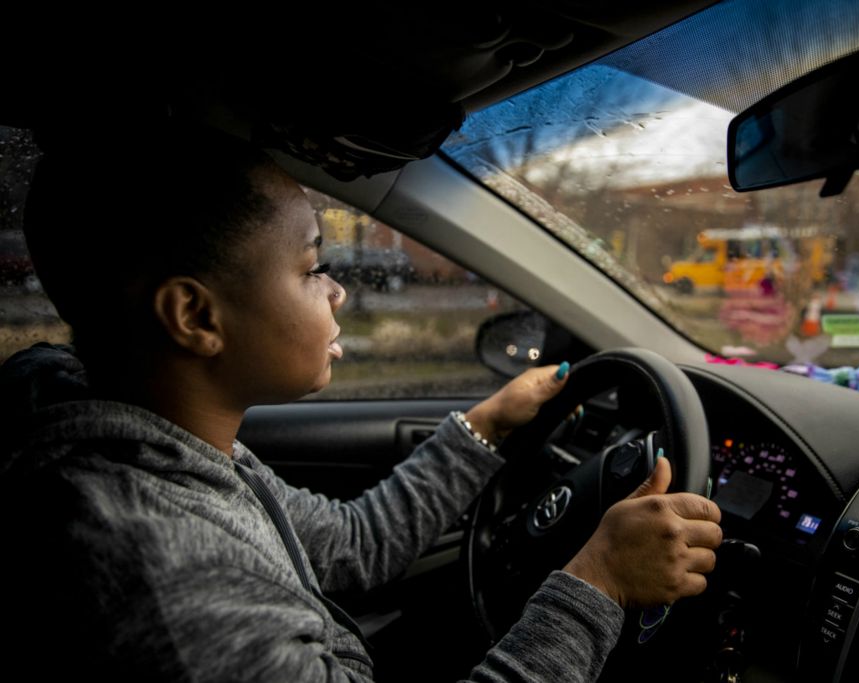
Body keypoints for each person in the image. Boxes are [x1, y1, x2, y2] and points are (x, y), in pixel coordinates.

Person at [0, 122, 722, 682]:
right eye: (312, 267)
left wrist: (487, 424)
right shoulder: (167, 583)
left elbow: (350, 546)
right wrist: (599, 581)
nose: (338, 290)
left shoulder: (168, 444)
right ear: (195, 317)